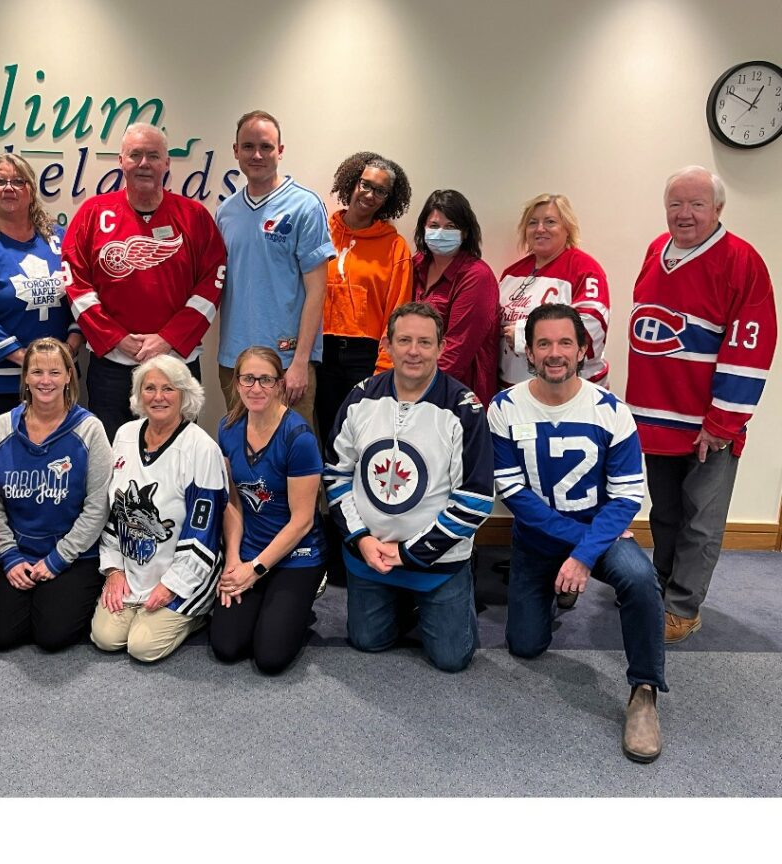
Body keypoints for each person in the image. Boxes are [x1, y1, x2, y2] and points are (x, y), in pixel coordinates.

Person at [489, 304, 666, 763]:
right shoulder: (503, 408)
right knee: (525, 647)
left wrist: (585, 554)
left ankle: (644, 691)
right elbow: (514, 494)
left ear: (582, 348)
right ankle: (558, 587)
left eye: (565, 342)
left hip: (600, 538)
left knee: (641, 579)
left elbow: (627, 498)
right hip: (538, 539)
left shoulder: (611, 410)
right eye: (543, 343)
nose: (554, 353)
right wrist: (575, 547)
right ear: (528, 351)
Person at [626, 166, 777, 644]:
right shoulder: (656, 250)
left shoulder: (741, 261)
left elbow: (751, 345)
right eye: (676, 203)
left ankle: (683, 607)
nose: (684, 214)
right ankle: (661, 586)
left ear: (717, 209)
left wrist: (723, 420)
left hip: (708, 426)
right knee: (665, 514)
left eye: (696, 204)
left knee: (700, 521)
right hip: (656, 419)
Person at [324, 302, 494, 672]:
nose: (413, 351)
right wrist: (362, 540)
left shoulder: (464, 409)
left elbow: (476, 499)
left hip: (437, 561)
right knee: (367, 643)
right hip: (369, 555)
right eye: (404, 340)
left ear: (441, 347)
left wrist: (409, 553)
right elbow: (336, 476)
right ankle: (400, 598)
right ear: (386, 344)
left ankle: (441, 594)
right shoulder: (361, 396)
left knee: (451, 660)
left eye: (424, 342)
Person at [63, 123, 226, 441]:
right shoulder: (92, 214)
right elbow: (76, 283)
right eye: (135, 155)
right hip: (112, 366)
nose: (144, 163)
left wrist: (168, 338)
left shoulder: (194, 216)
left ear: (167, 163)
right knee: (113, 452)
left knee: (179, 455)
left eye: (153, 155)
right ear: (120, 160)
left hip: (176, 364)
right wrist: (116, 337)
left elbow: (212, 282)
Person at [91, 354, 227, 663]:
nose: (158, 397)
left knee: (143, 647)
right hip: (133, 568)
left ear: (184, 395)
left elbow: (204, 532)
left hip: (183, 572)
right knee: (106, 638)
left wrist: (171, 587)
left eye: (168, 389)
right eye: (149, 388)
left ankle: (197, 613)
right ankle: (140, 607)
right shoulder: (125, 436)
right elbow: (116, 510)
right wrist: (113, 570)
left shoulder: (200, 448)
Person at [0, 338, 112, 652]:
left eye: (55, 372)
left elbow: (98, 506)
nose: (45, 380)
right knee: (0, 636)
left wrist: (57, 559)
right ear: (25, 377)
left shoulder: (90, 429)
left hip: (74, 554)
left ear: (69, 376)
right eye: (37, 372)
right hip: (17, 550)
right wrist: (9, 556)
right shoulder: (2, 427)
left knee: (52, 637)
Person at [210, 346, 327, 674]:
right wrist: (234, 560)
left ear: (279, 385)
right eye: (248, 379)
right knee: (227, 646)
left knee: (270, 657)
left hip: (297, 553)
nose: (256, 388)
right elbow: (233, 503)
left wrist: (256, 570)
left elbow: (302, 522)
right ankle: (269, 602)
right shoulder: (228, 429)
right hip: (249, 549)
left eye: (265, 379)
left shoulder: (298, 437)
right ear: (236, 383)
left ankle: (303, 599)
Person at [216, 110, 334, 428]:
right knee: (242, 451)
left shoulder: (304, 206)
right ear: (236, 151)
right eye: (249, 146)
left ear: (280, 151)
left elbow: (317, 290)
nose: (257, 155)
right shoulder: (225, 213)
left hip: (287, 363)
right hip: (234, 360)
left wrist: (300, 362)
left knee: (292, 457)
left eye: (266, 147)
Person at [0, 153, 81, 432]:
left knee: (60, 455)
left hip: (56, 376)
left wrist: (69, 347)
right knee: (10, 461)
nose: (9, 188)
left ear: (31, 189)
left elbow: (81, 292)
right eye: (0, 182)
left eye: (18, 181)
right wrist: (26, 359)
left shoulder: (58, 238)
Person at [315, 150, 413, 450]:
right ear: (352, 183)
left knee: (364, 437)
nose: (370, 195)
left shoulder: (395, 247)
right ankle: (330, 497)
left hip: (365, 355)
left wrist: (385, 366)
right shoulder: (321, 230)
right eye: (365, 184)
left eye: (380, 191)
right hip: (321, 350)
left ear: (389, 199)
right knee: (328, 435)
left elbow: (398, 310)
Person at [498, 193, 609, 388]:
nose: (540, 229)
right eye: (533, 223)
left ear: (567, 228)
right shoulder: (511, 274)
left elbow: (592, 332)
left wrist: (525, 336)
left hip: (568, 393)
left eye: (550, 222)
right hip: (514, 392)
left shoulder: (585, 269)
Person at [411, 189, 500, 406]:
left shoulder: (477, 276)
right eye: (433, 226)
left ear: (466, 232)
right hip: (414, 383)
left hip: (457, 396)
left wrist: (411, 388)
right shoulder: (415, 266)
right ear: (423, 229)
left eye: (450, 227)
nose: (440, 233)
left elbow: (456, 350)